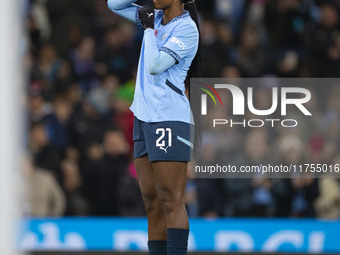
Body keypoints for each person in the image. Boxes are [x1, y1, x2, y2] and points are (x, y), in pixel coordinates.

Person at [107, 0, 200, 254]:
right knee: (151, 202)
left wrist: (148, 29)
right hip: (143, 117)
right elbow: (113, 4)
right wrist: (149, 20)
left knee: (171, 200)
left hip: (168, 118)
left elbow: (155, 65)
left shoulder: (187, 29)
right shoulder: (155, 18)